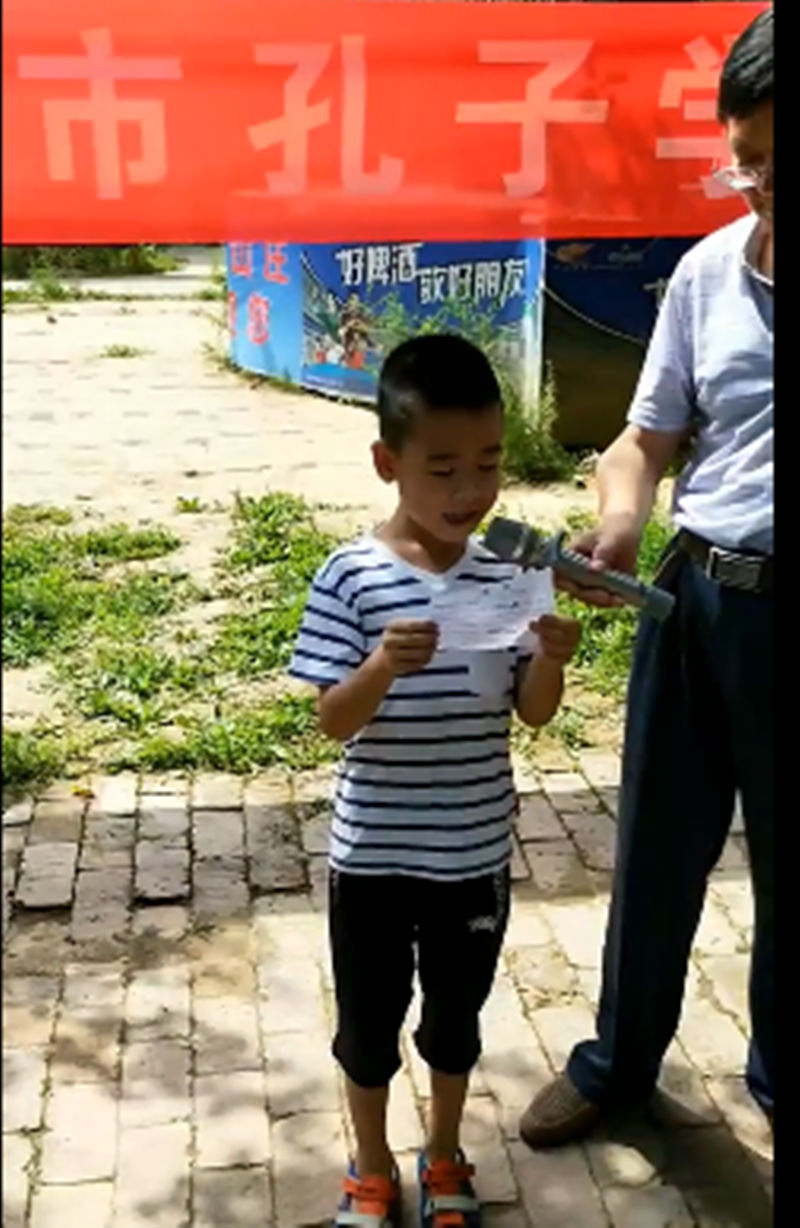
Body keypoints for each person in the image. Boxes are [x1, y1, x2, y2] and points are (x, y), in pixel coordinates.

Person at [520, 8, 773, 1148]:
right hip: (696, 600)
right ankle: (619, 1063)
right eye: (748, 162)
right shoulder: (708, 274)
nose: (761, 191)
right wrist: (620, 521)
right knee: (656, 851)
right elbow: (643, 439)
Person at [289, 334, 581, 1227]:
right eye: (443, 469)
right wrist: (381, 666)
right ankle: (371, 1163)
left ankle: (446, 1151)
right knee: (367, 1027)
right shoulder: (351, 576)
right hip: (374, 856)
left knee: (454, 1022)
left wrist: (551, 657)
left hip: (472, 856)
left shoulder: (512, 573)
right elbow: (333, 720)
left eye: (488, 464)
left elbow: (533, 713)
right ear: (389, 463)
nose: (468, 491)